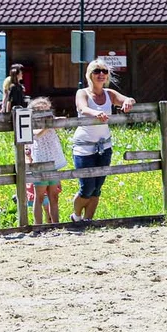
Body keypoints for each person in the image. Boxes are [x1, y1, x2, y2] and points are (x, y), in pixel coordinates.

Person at [70, 60, 134, 222]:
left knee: (97, 188)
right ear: (89, 74)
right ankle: (76, 216)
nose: (101, 74)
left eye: (104, 71)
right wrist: (95, 113)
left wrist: (128, 102)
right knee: (87, 187)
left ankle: (88, 221)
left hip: (104, 146)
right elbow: (82, 108)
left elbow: (128, 99)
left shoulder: (109, 93)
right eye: (97, 71)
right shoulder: (82, 93)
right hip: (84, 147)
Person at [26, 97, 65, 225]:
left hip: (53, 161)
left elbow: (61, 125)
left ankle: (55, 224)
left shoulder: (50, 121)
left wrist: (57, 121)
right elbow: (36, 135)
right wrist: (48, 126)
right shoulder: (32, 124)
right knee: (39, 196)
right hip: (40, 162)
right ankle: (38, 224)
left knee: (54, 196)